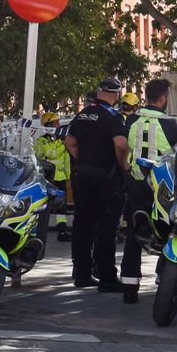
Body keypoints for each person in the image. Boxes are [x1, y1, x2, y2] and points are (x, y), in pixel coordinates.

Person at [120, 78, 177, 303]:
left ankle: (129, 286)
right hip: (163, 189)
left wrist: (125, 165)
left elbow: (121, 145)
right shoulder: (170, 125)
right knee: (171, 233)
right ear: (164, 98)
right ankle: (163, 279)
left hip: (137, 184)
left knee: (135, 233)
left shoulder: (131, 120)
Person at [66, 78, 131, 292]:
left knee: (82, 226)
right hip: (107, 178)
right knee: (107, 227)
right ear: (116, 95)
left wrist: (83, 159)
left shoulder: (82, 114)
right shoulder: (113, 117)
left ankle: (82, 274)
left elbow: (69, 142)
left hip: (83, 176)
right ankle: (106, 277)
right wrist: (123, 165)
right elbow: (121, 144)